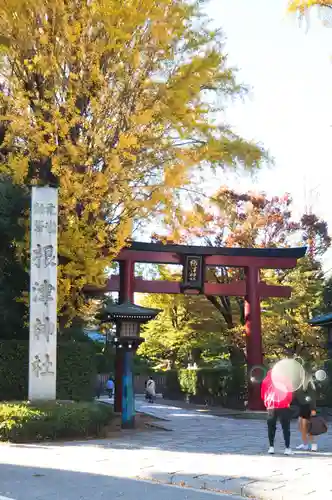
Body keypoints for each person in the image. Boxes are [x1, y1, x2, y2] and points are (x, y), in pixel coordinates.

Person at [261, 369, 293, 455]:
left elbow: (263, 394)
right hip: (283, 405)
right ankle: (287, 448)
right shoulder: (286, 379)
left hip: (271, 405)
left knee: (271, 427)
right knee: (286, 427)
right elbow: (289, 394)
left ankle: (271, 447)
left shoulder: (266, 380)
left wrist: (267, 403)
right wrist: (288, 402)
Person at [295, 370, 318, 452]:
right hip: (302, 407)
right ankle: (305, 444)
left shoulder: (309, 385)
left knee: (308, 427)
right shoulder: (302, 385)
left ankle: (313, 444)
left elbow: (312, 399)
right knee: (301, 426)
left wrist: (313, 409)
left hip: (308, 408)